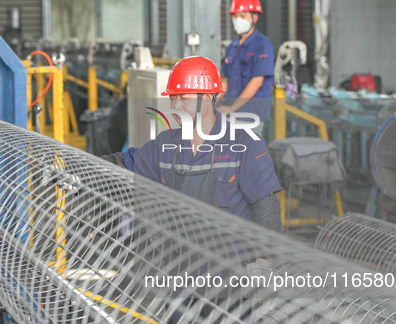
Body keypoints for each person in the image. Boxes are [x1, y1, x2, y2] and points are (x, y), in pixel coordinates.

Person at [104, 55, 282, 231]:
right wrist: (79, 169)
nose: (175, 106)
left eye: (183, 98)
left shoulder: (246, 145)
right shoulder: (164, 145)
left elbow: (266, 209)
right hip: (181, 256)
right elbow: (122, 164)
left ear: (207, 97)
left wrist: (264, 259)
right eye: (173, 98)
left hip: (232, 257)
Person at [216, 0, 274, 138]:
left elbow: (256, 82)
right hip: (231, 113)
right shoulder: (233, 46)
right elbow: (226, 82)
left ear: (255, 17)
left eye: (243, 15)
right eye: (235, 16)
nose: (238, 20)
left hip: (251, 114)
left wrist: (231, 108)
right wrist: (209, 102)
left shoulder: (263, 44)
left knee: (243, 154)